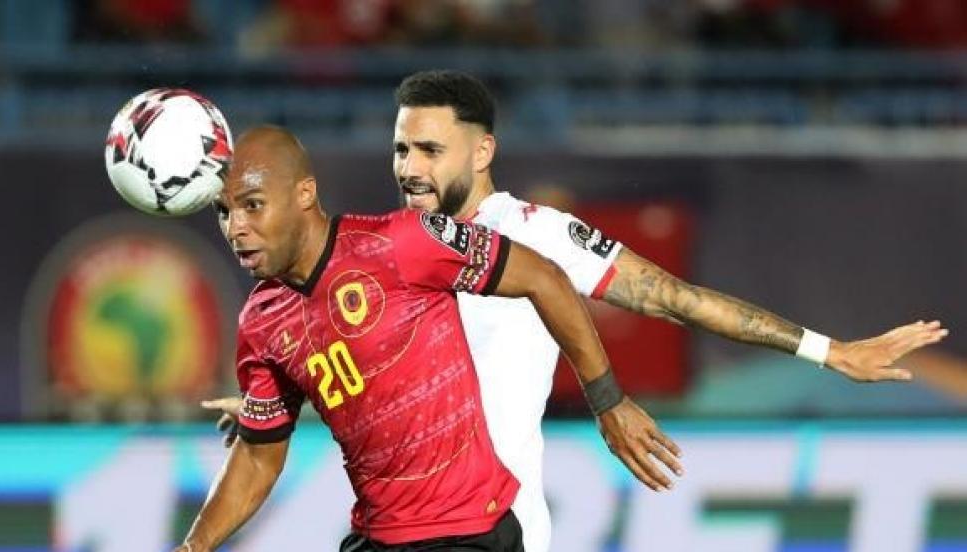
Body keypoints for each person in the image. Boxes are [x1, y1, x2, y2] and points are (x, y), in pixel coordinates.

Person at [204, 71, 948, 552]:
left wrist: (827, 351)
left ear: (482, 151)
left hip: (498, 527)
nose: (409, 168)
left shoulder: (535, 234)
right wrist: (293, 394)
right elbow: (387, 372)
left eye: (430, 150)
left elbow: (674, 298)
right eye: (401, 150)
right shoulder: (385, 249)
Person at [175, 125, 680, 552]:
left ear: (304, 194)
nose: (236, 228)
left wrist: (607, 400)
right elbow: (258, 456)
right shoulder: (262, 322)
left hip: (469, 534)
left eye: (252, 206)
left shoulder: (401, 242)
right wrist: (193, 547)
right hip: (374, 538)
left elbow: (543, 277)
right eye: (223, 212)